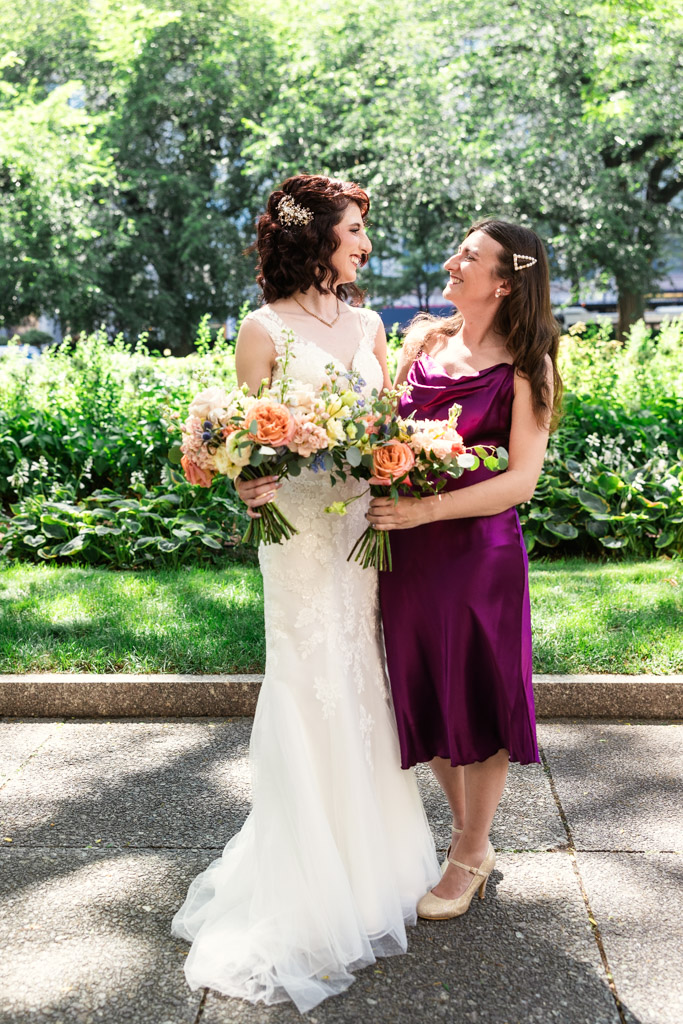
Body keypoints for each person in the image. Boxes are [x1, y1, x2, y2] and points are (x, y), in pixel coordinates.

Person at [172, 175, 439, 1011]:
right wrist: (243, 482)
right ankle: (302, 880)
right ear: (313, 236)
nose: (364, 243)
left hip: (357, 522)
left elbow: (385, 416)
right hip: (295, 534)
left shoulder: (367, 323)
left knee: (360, 671)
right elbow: (246, 442)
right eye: (354, 229)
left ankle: (370, 865)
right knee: (305, 672)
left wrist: (395, 456)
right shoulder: (262, 329)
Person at [367, 219, 561, 921]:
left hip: (476, 559)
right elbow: (376, 435)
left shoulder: (526, 367)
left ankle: (471, 849)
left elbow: (519, 483)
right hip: (406, 559)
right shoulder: (423, 341)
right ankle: (465, 838)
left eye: (468, 256)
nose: (452, 262)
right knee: (429, 694)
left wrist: (424, 512)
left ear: (504, 282)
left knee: (475, 698)